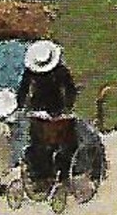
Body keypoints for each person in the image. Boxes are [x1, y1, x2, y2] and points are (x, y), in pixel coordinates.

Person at [16, 40, 79, 188]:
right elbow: (70, 89)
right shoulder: (60, 71)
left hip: (36, 108)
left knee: (38, 142)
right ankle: (63, 173)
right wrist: (68, 105)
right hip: (55, 108)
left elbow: (23, 91)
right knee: (66, 141)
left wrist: (20, 106)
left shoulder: (30, 73)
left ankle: (41, 174)